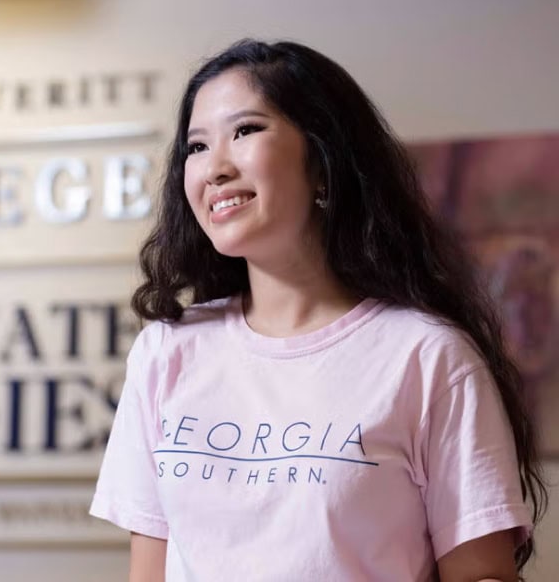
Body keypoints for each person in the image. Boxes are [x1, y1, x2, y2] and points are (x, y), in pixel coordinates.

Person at [89, 39, 547, 581]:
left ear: (324, 162)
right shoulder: (167, 351)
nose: (213, 168)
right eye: (195, 146)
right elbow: (151, 573)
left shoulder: (427, 356)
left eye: (245, 131)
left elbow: (481, 576)